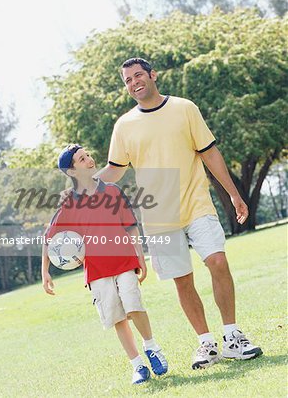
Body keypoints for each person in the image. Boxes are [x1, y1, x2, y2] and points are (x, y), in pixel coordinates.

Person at [95, 58, 263, 369]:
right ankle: (207, 344)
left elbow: (209, 152)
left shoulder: (185, 108)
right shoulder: (124, 126)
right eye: (127, 80)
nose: (134, 83)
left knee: (217, 261)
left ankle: (232, 336)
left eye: (138, 76)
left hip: (196, 203)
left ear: (152, 75)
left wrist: (234, 193)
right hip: (158, 217)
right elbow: (115, 170)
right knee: (182, 281)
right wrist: (86, 183)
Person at [41, 144, 168, 384]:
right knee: (117, 317)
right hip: (97, 271)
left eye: (88, 155)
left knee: (133, 305)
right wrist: (45, 271)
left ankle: (152, 347)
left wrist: (139, 254)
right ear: (71, 171)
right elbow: (50, 238)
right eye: (82, 159)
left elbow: (130, 225)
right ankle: (138, 365)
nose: (89, 159)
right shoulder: (69, 204)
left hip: (123, 261)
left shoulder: (112, 191)